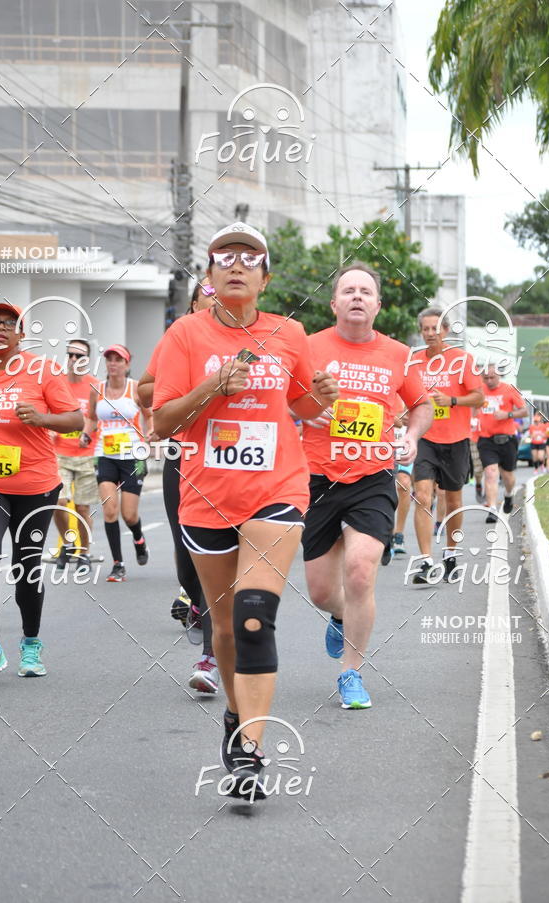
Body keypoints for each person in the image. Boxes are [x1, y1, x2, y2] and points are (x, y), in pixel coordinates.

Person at [152, 222, 338, 798]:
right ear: (209, 276)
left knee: (256, 616)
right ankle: (235, 719)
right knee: (226, 628)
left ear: (265, 276)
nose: (237, 264)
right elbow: (162, 422)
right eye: (224, 256)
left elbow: (300, 402)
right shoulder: (185, 334)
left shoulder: (290, 332)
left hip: (277, 491)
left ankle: (251, 751)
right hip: (206, 498)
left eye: (249, 257)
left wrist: (321, 399)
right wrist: (214, 386)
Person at [301, 263, 432, 708]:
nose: (357, 296)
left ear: (378, 304)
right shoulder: (308, 346)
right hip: (316, 477)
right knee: (321, 591)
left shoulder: (398, 354)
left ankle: (351, 672)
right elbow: (278, 401)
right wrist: (301, 411)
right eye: (348, 290)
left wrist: (412, 437)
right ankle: (339, 614)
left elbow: (421, 405)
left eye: (365, 291)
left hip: (373, 476)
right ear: (334, 302)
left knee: (360, 570)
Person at [0, 302, 83, 685]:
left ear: (20, 334)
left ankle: (30, 642)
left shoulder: (42, 371)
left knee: (27, 566)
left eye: (9, 323)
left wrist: (43, 418)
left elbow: (76, 420)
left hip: (36, 484)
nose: (0, 328)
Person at [138, 280, 219, 693]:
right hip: (181, 454)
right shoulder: (179, 336)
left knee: (219, 554)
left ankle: (212, 653)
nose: (216, 296)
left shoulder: (249, 336)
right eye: (208, 291)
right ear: (193, 301)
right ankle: (198, 604)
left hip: (230, 458)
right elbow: (145, 390)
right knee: (187, 554)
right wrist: (192, 389)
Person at [409, 307, 484, 584]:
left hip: (456, 440)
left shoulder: (462, 360)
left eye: (435, 329)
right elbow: (404, 395)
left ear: (445, 330)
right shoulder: (414, 361)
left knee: (452, 501)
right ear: (421, 331)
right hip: (426, 438)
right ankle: (426, 562)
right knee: (423, 495)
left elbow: (479, 399)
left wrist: (452, 401)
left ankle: (451, 555)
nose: (430, 333)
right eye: (425, 329)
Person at [83, 344, 151, 582]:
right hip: (105, 454)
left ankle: (139, 539)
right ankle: (118, 564)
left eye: (118, 360)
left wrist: (150, 436)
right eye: (109, 359)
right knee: (110, 511)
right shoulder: (97, 389)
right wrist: (85, 434)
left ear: (127, 364)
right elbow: (91, 419)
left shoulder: (136, 389)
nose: (113, 363)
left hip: (134, 457)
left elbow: (149, 416)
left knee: (129, 515)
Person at [52, 338, 99, 573]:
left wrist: (86, 434)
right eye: (70, 355)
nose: (73, 359)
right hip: (59, 453)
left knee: (82, 508)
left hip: (85, 454)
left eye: (78, 356)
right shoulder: (57, 382)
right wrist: (50, 428)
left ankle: (84, 552)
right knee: (58, 502)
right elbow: (49, 411)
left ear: (86, 360)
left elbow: (92, 416)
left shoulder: (93, 386)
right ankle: (67, 543)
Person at [477, 365, 528, 522]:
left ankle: (508, 495)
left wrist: (508, 414)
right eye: (486, 378)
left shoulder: (510, 389)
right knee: (491, 473)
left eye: (492, 377)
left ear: (499, 376)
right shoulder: (479, 390)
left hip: (507, 439)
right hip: (486, 439)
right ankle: (492, 509)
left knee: (508, 476)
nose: (489, 381)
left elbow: (524, 411)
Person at [391, 399, 414, 557]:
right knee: (383, 489)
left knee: (404, 484)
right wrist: (394, 417)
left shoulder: (407, 379)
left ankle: (398, 534)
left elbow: (422, 408)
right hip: (379, 442)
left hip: (402, 443)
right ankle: (385, 532)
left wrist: (411, 417)